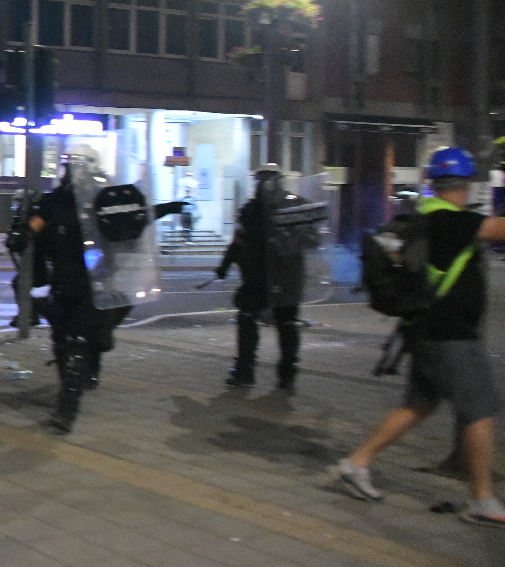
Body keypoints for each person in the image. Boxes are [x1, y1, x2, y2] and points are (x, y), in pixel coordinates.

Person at [334, 147, 505, 527]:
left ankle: (356, 462)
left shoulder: (423, 216)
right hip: (451, 336)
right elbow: (499, 230)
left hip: (424, 330)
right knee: (480, 410)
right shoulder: (453, 221)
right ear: (467, 184)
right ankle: (483, 499)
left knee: (419, 404)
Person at [13, 145, 184, 434]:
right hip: (61, 282)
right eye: (69, 165)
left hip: (91, 283)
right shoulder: (54, 201)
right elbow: (38, 223)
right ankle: (72, 385)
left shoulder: (103, 200)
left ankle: (67, 407)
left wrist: (166, 209)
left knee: (79, 341)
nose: (71, 171)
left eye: (76, 165)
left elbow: (133, 218)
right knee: (61, 342)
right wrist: (25, 233)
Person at [216, 163, 313, 389]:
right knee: (269, 323)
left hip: (272, 278)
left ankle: (261, 372)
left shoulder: (275, 209)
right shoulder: (284, 208)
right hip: (273, 279)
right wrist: (225, 265)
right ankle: (273, 373)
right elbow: (240, 240)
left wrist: (225, 265)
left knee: (271, 323)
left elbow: (239, 242)